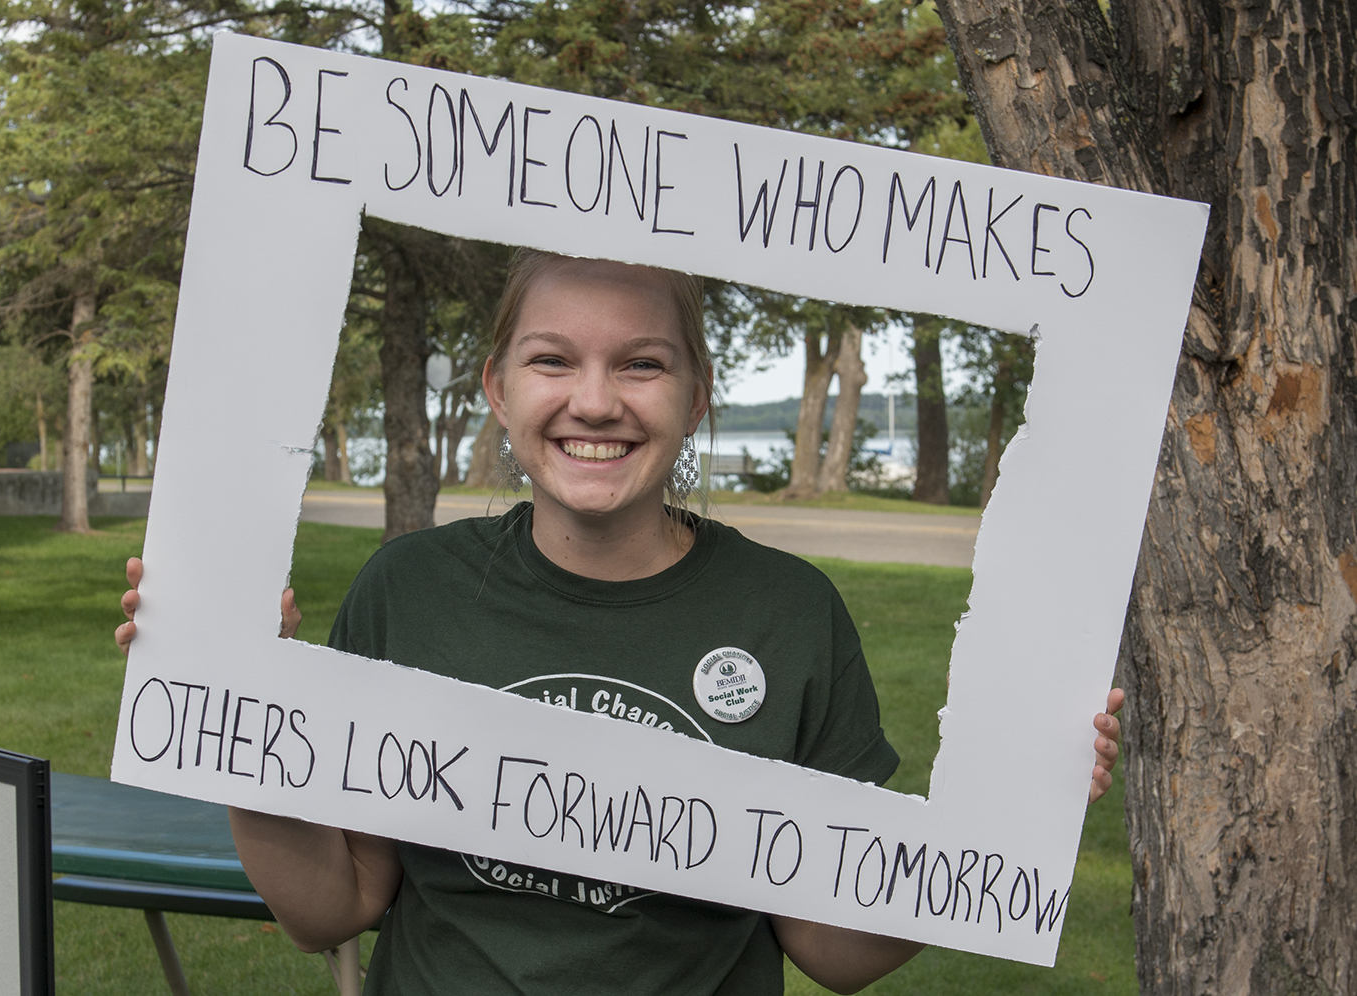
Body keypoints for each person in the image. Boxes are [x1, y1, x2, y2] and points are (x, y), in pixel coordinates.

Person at [117, 250, 1124, 995]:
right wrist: (244, 727)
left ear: (696, 397)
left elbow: (832, 950)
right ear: (498, 390)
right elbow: (331, 909)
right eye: (553, 360)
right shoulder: (408, 589)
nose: (593, 402)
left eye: (641, 365)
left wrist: (999, 825)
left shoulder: (788, 612)